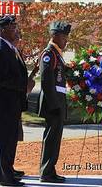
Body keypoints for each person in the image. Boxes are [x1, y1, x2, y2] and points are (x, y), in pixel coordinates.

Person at [0, 15, 27, 187]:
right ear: (3, 30)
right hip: (4, 104)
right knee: (4, 141)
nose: (15, 30)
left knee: (10, 140)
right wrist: (23, 85)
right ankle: (5, 177)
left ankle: (6, 170)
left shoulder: (9, 48)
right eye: (12, 28)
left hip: (11, 103)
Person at [38, 21, 71, 183]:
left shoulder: (57, 54)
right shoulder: (49, 54)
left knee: (55, 137)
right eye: (64, 37)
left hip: (58, 101)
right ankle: (46, 172)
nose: (66, 41)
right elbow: (46, 81)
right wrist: (54, 105)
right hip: (53, 103)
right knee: (51, 137)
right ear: (54, 36)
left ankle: (50, 170)